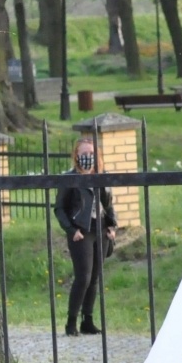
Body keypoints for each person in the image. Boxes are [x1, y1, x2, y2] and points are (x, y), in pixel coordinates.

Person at [53, 137, 117, 338]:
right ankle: (71, 322)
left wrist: (112, 225)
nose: (87, 157)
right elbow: (59, 209)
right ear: (76, 155)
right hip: (81, 232)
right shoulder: (70, 178)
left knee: (95, 278)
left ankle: (87, 321)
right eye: (83, 153)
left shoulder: (102, 176)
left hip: (101, 230)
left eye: (91, 153)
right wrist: (72, 230)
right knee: (83, 277)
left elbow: (108, 204)